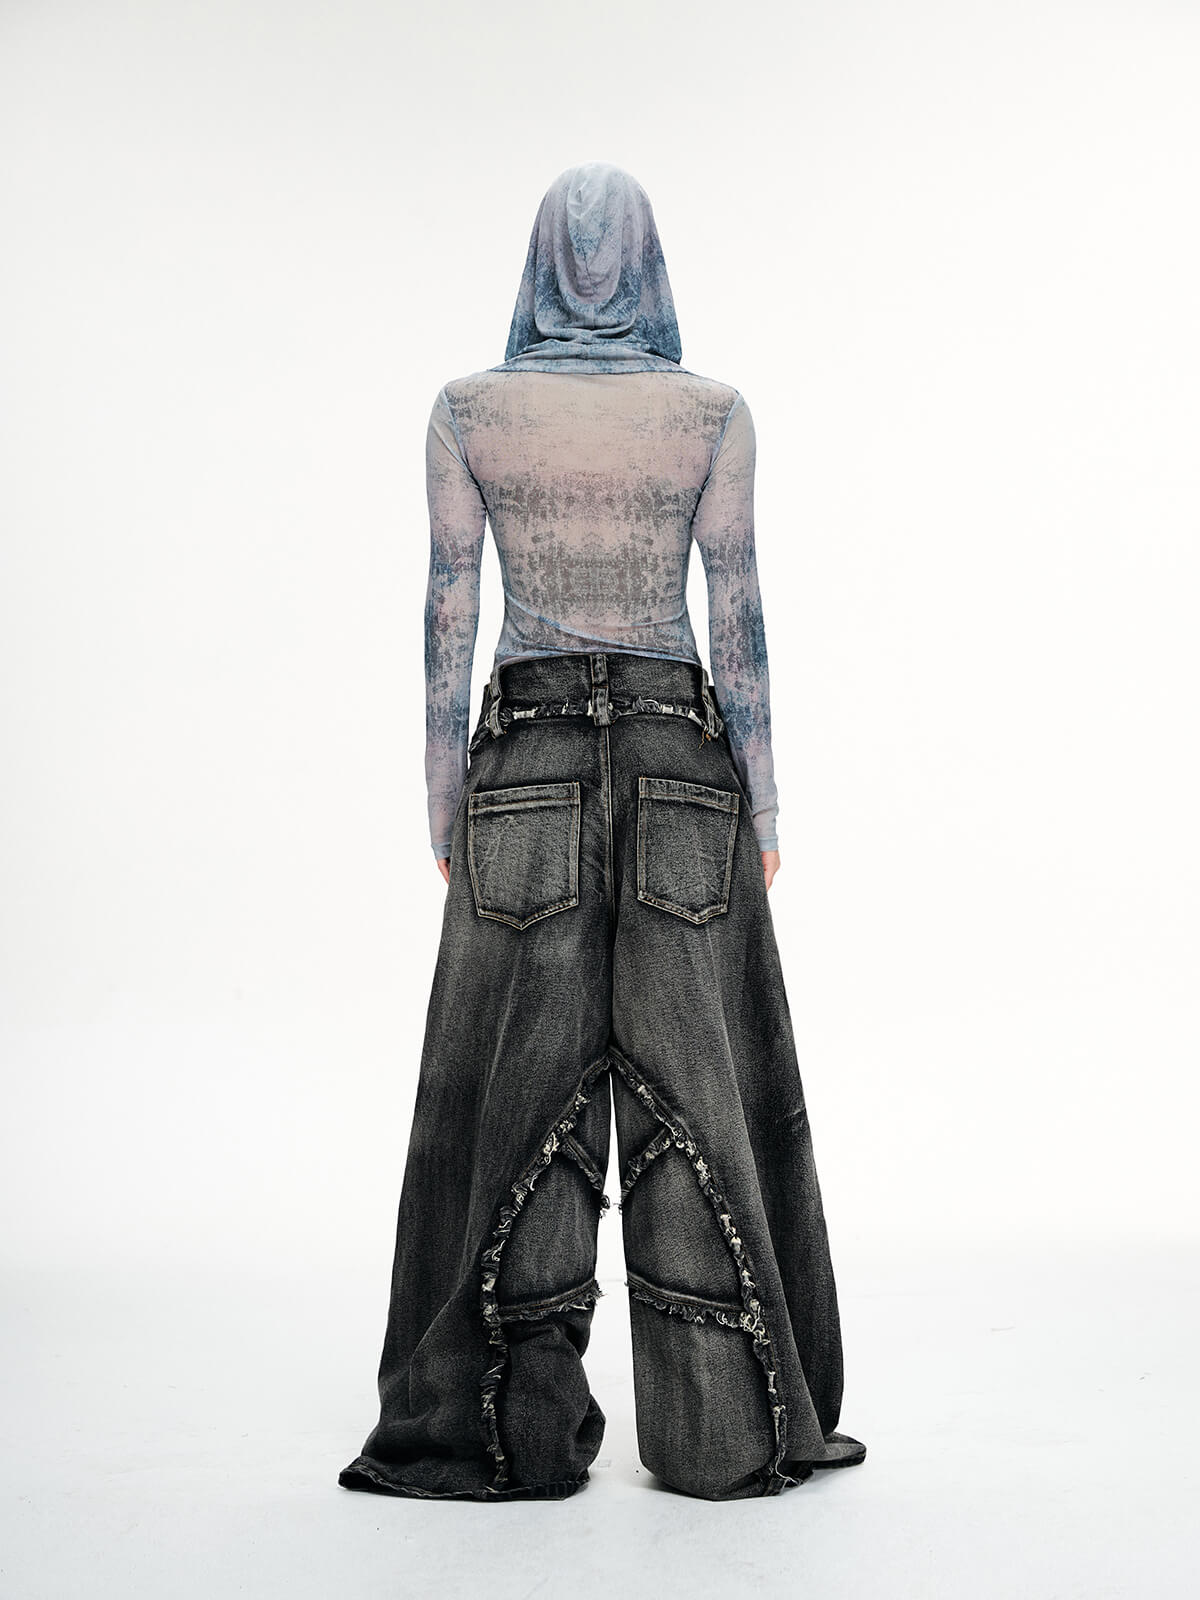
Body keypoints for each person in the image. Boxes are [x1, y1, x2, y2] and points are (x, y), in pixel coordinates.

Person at [337, 160, 866, 1502]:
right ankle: (723, 1439)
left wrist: (444, 799)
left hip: (523, 766)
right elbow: (736, 614)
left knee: (509, 1090)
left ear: (540, 262)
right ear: (648, 261)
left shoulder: (467, 411)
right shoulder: (713, 413)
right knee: (704, 1085)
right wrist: (766, 798)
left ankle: (501, 1435)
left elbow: (449, 609)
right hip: (685, 764)